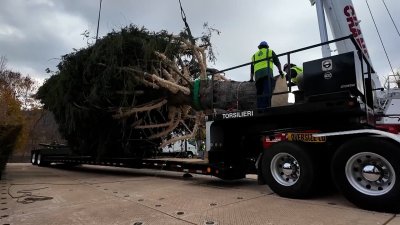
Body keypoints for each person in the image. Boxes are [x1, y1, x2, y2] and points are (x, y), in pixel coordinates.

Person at [250, 41, 284, 111]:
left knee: (259, 93)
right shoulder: (270, 51)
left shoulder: (254, 55)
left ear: (259, 47)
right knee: (267, 91)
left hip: (257, 76)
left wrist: (251, 78)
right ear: (267, 46)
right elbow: (277, 63)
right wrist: (280, 71)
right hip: (267, 74)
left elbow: (252, 69)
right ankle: (265, 108)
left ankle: (259, 108)